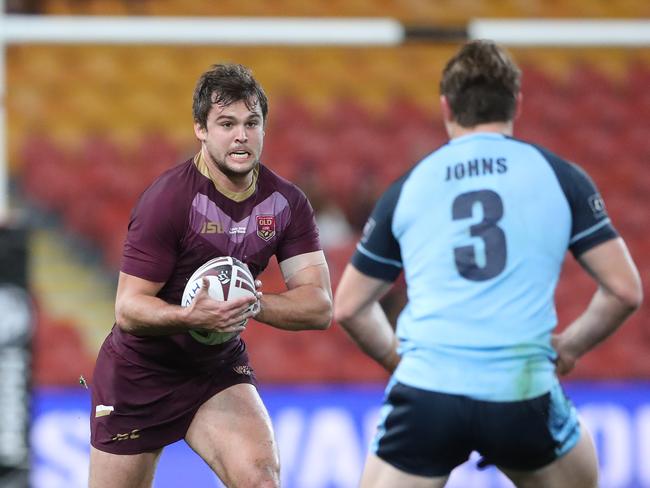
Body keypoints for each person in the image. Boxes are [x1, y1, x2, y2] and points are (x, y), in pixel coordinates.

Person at [334, 40, 643, 488]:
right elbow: (625, 290)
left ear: (446, 106)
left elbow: (349, 307)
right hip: (521, 389)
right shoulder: (560, 176)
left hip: (429, 391)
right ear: (516, 103)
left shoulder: (410, 186)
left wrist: (397, 358)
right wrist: (571, 345)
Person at [89, 63, 333, 488]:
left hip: (214, 370)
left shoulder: (286, 203)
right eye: (227, 124)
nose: (241, 135)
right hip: (140, 374)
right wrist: (192, 317)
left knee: (261, 480)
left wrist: (252, 303)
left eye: (251, 123)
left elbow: (319, 305)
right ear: (200, 129)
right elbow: (128, 307)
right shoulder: (167, 200)